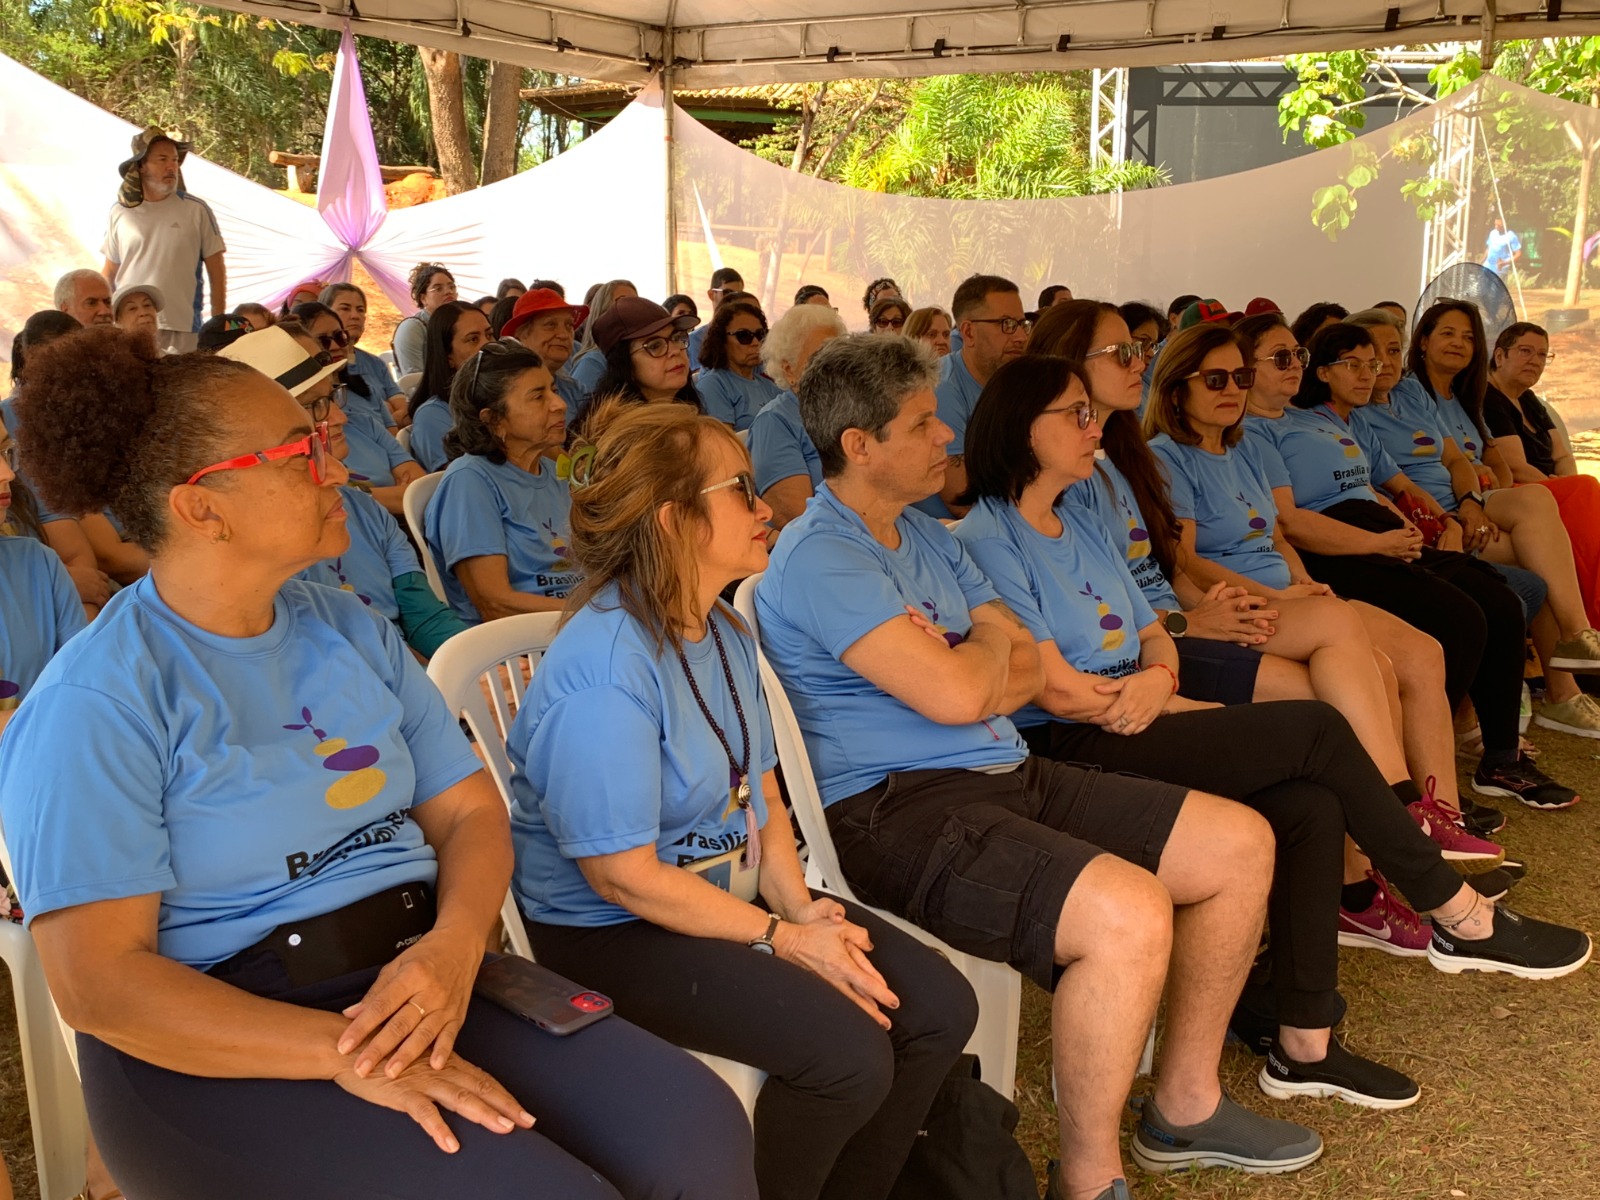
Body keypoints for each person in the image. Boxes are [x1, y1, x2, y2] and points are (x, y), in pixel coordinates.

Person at [0, 325, 758, 1200]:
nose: (338, 467)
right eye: (299, 453)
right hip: (223, 1035)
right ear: (202, 508)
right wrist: (343, 1053)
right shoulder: (99, 699)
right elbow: (101, 987)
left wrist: (454, 947)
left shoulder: (346, 625)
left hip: (416, 974)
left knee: (695, 1129)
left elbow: (471, 813)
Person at [758, 333, 1327, 1200]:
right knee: (1129, 914)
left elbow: (1025, 661)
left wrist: (979, 657)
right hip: (896, 809)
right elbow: (960, 691)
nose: (947, 435)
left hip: (1002, 771)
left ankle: (1185, 1106)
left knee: (1241, 844)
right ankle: (1089, 1181)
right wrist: (984, 658)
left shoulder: (925, 533)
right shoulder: (824, 554)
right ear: (860, 445)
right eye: (923, 424)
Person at [954, 353, 1589, 1109]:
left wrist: (1161, 683)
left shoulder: (1081, 518)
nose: (1096, 428)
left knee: (1308, 805)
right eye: (1078, 414)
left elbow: (1155, 631)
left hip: (1140, 706)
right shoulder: (987, 536)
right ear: (1023, 430)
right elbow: (1055, 688)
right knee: (1314, 727)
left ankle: (1303, 1042)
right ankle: (1454, 910)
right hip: (1075, 738)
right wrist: (1151, 698)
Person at [509, 397, 976, 1200]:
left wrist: (800, 911)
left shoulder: (722, 630)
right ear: (673, 521)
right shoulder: (606, 672)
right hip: (613, 931)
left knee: (937, 1008)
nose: (766, 509)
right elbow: (622, 878)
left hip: (729, 896)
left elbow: (763, 796)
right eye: (740, 491)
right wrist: (781, 939)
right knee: (846, 1056)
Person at [1371, 302, 1600, 693]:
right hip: (1440, 516)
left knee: (1543, 505)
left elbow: (1467, 459)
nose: (1384, 362)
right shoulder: (1387, 400)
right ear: (1423, 341)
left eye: (1468, 337)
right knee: (1547, 544)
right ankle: (1566, 685)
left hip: (1474, 500)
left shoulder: (1429, 395)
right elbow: (1396, 485)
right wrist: (1457, 516)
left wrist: (1474, 501)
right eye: (1448, 333)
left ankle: (1577, 640)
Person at [263, 349, 469, 662]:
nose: (340, 417)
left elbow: (424, 615)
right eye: (315, 406)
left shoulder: (365, 509)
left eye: (332, 397)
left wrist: (477, 663)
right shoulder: (262, 545)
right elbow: (326, 654)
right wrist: (428, 674)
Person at [424, 342, 578, 624]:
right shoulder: (470, 481)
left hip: (579, 622)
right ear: (494, 420)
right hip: (522, 640)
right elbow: (494, 604)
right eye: (538, 397)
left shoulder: (554, 472)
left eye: (553, 390)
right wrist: (592, 615)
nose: (560, 404)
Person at [1482, 320, 1600, 635]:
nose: (1534, 361)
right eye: (1525, 351)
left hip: (1550, 486)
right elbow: (1515, 466)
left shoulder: (1530, 400)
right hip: (1521, 491)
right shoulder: (1489, 397)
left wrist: (1566, 483)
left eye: (1542, 355)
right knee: (1587, 489)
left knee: (1585, 493)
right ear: (1500, 356)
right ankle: (1591, 618)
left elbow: (1563, 456)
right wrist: (1562, 487)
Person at [1, 315, 113, 618]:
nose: (8, 473)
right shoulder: (19, 418)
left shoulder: (29, 551)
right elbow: (110, 556)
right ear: (30, 358)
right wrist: (52, 581)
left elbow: (85, 570)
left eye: (6, 452)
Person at [286, 307, 424, 518]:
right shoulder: (291, 461)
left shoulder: (364, 423)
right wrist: (384, 494)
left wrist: (358, 496)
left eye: (339, 337)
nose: (339, 416)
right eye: (314, 404)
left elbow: (419, 492)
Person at [101, 127, 225, 353]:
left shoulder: (196, 210)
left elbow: (216, 271)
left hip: (184, 326)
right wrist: (104, 323)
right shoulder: (119, 212)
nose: (171, 166)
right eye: (162, 159)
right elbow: (109, 272)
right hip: (131, 328)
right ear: (141, 165)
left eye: (175, 160)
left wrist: (218, 324)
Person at [927, 274, 1031, 518]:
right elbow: (962, 501)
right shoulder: (942, 388)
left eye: (1022, 324)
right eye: (1006, 324)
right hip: (954, 531)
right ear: (969, 332)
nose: (1021, 337)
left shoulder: (1014, 383)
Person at [748, 304, 847, 529]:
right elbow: (797, 519)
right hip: (824, 540)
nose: (833, 366)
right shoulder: (774, 423)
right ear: (789, 370)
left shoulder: (849, 410)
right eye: (820, 357)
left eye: (838, 354)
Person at [582, 298, 702, 431]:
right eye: (655, 346)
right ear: (624, 364)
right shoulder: (620, 434)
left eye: (676, 338)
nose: (675, 351)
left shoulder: (689, 412)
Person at [406, 302, 492, 473]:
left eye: (490, 335)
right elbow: (465, 480)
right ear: (448, 356)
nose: (488, 346)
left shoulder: (500, 398)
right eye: (473, 339)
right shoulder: (431, 416)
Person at [321, 283, 406, 430]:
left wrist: (384, 420)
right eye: (345, 308)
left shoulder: (375, 363)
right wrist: (383, 414)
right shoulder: (324, 367)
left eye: (360, 310)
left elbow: (403, 410)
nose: (355, 316)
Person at [501, 287, 592, 414]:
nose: (564, 335)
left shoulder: (577, 391)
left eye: (569, 325)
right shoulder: (500, 391)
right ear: (521, 333)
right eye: (551, 325)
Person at [696, 300, 780, 431]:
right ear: (721, 341)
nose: (755, 343)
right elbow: (723, 440)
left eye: (760, 334)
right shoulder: (713, 385)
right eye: (744, 336)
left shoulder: (769, 386)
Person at [569, 280, 641, 404]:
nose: (632, 308)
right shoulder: (593, 362)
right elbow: (582, 412)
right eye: (622, 301)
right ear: (603, 311)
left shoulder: (638, 356)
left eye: (636, 303)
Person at [392, 263, 458, 377]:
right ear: (423, 298)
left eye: (451, 287)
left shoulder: (459, 323)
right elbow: (414, 382)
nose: (448, 292)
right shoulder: (412, 328)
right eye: (438, 288)